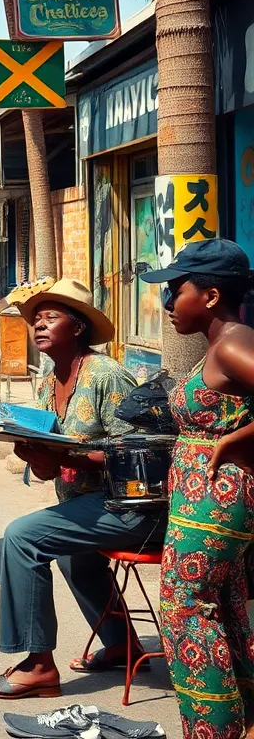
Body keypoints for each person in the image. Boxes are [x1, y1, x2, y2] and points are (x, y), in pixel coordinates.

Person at [0, 278, 163, 699]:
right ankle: (120, 643)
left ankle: (38, 664)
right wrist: (32, 453)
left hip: (131, 508)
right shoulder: (48, 380)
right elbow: (51, 462)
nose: (38, 326)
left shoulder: (106, 375)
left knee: (22, 537)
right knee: (74, 558)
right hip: (91, 504)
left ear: (77, 328)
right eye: (36, 319)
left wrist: (65, 458)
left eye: (50, 317)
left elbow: (141, 456)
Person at [140, 240, 254, 739]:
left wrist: (233, 439)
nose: (166, 304)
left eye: (174, 290)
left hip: (218, 499)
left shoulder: (232, 342)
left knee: (186, 610)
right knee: (221, 606)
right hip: (203, 500)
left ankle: (214, 732)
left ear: (209, 296)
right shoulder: (225, 341)